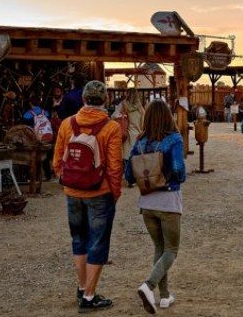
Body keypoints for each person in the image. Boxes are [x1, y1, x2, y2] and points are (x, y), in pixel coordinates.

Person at [52, 80, 123, 312]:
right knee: (98, 242)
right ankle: (90, 296)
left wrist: (68, 181)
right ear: (105, 100)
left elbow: (57, 160)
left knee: (78, 239)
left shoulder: (66, 124)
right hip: (99, 192)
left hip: (72, 192)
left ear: (83, 99)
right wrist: (115, 191)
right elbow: (114, 166)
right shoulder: (110, 127)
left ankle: (82, 287)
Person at [123, 100, 186, 313]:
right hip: (168, 201)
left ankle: (165, 296)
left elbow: (129, 175)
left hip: (147, 203)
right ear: (168, 116)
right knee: (171, 249)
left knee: (159, 248)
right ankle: (148, 286)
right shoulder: (174, 139)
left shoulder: (139, 142)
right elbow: (179, 170)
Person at [116, 89, 145, 160]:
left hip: (128, 136)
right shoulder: (140, 108)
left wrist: (123, 116)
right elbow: (144, 123)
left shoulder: (123, 104)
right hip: (139, 137)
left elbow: (114, 115)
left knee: (127, 159)